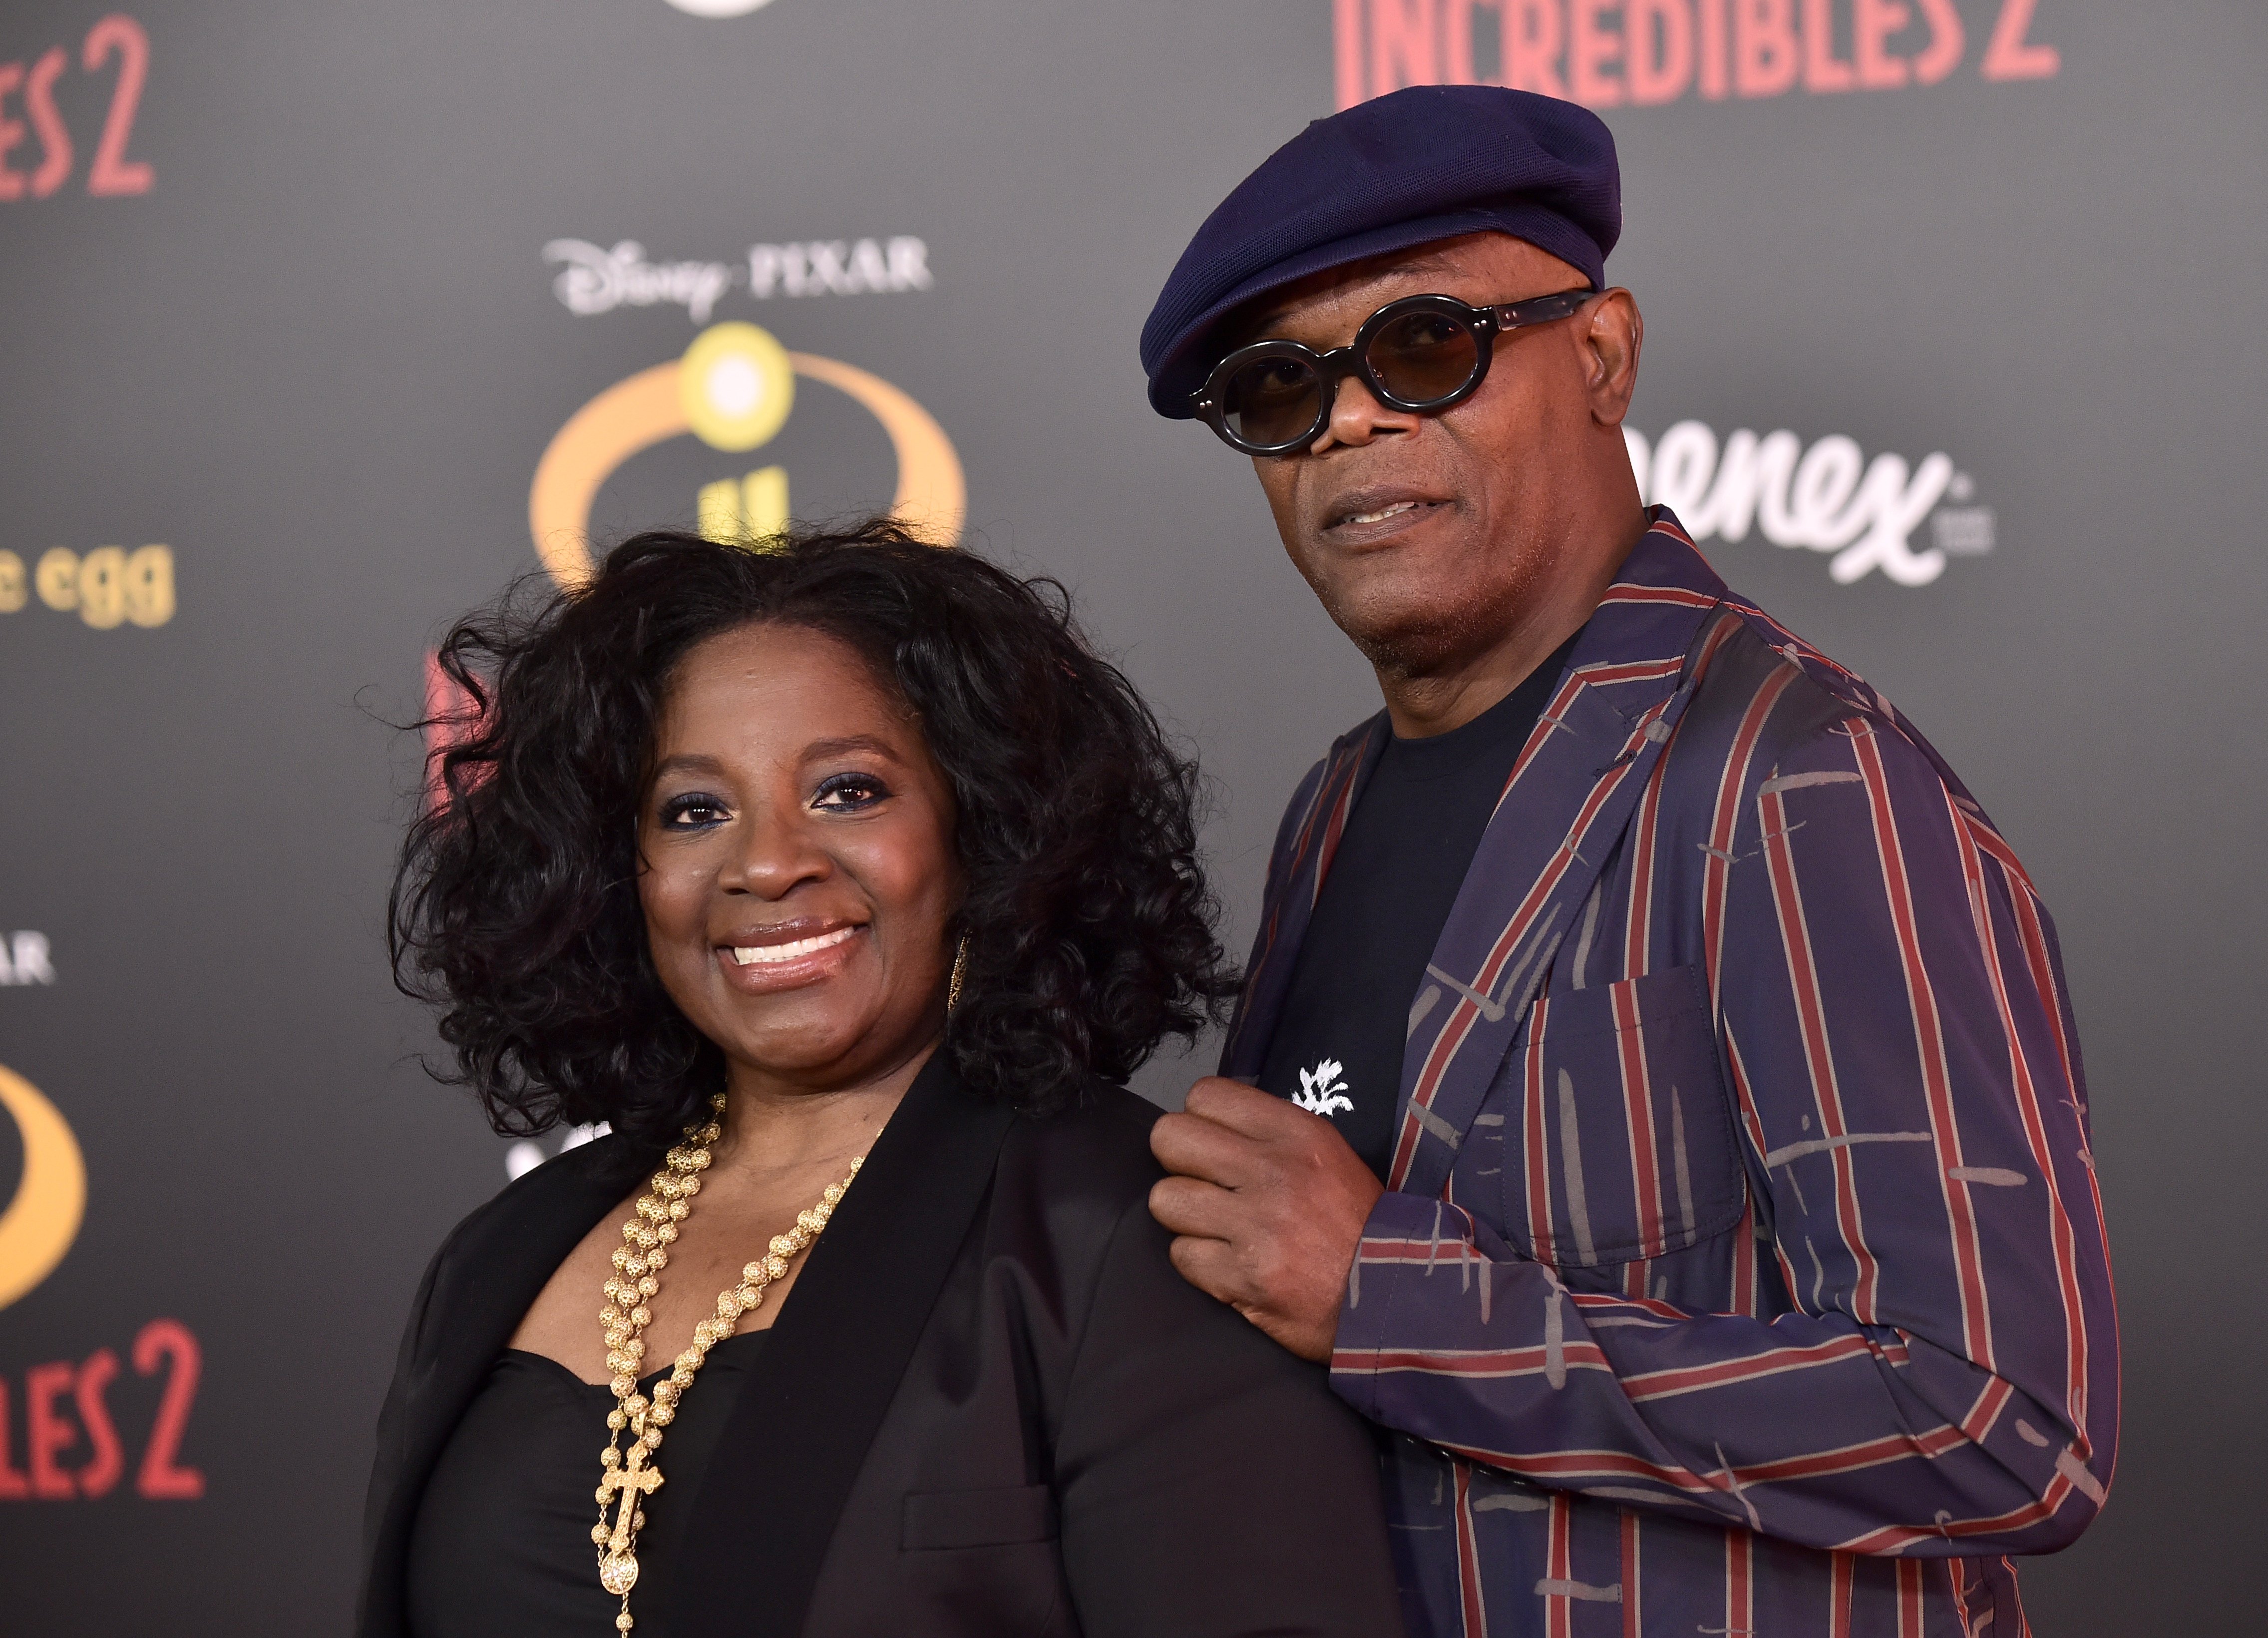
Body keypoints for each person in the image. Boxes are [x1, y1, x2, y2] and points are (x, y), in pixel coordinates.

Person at [1139, 86, 2119, 1637]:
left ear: (1601, 357)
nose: (1347, 420)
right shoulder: (1332, 810)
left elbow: (1992, 1421)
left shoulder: (1795, 773)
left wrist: (1394, 1299)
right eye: (1275, 389)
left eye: (1423, 346)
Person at [363, 522, 1408, 1638]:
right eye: (693, 810)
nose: (768, 861)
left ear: (987, 829)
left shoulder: (1133, 1238)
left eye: (849, 790)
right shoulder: (499, 1255)